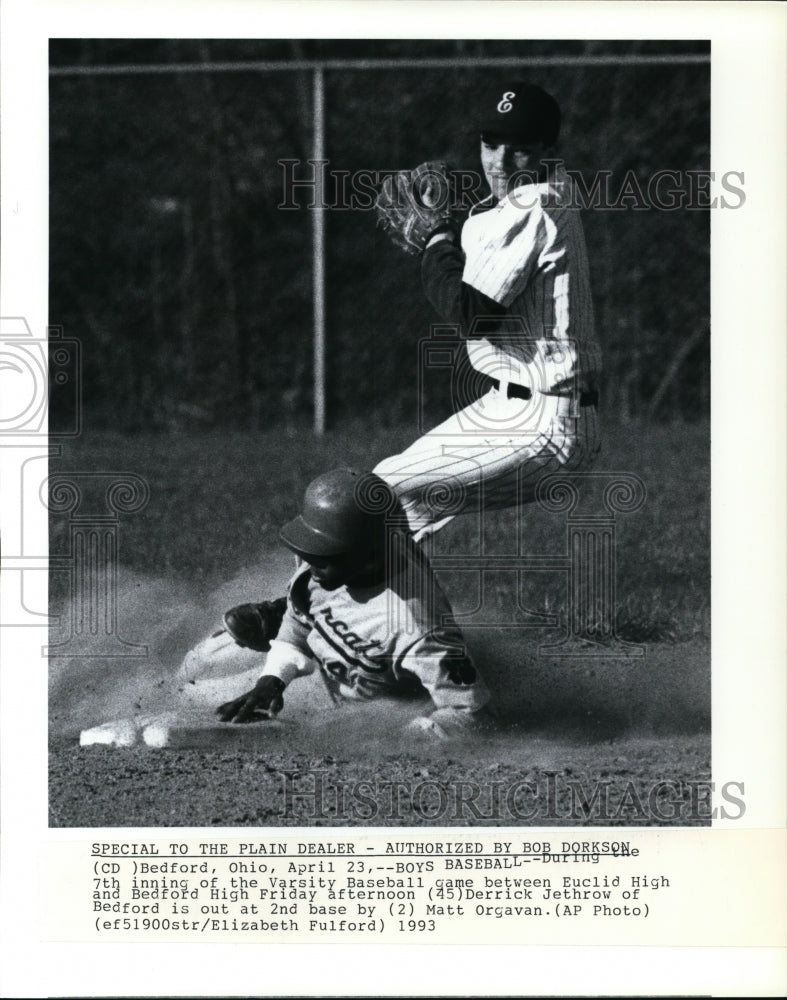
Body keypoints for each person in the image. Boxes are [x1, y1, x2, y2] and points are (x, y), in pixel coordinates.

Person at [373, 81, 602, 541]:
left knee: (368, 496)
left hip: (545, 425)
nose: (499, 161)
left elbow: (473, 315)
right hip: (513, 408)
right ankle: (361, 610)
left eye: (519, 150)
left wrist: (438, 237)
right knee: (400, 511)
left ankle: (294, 609)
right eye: (490, 143)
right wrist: (453, 224)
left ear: (546, 150)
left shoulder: (536, 205)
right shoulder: (537, 194)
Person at [213, 467, 492, 739]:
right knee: (212, 658)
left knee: (205, 695)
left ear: (370, 556)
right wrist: (272, 680)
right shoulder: (326, 563)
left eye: (324, 555)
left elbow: (469, 712)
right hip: (324, 672)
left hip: (369, 713)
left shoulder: (417, 627)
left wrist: (401, 738)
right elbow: (296, 624)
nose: (310, 563)